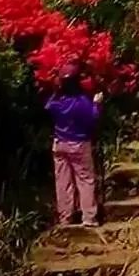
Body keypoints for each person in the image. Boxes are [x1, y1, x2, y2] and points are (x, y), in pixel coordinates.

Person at [46, 70, 102, 227]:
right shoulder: (82, 101)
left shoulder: (59, 102)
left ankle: (65, 217)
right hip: (79, 144)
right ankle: (89, 217)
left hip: (59, 144)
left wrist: (56, 91)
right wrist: (97, 104)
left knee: (63, 181)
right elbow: (93, 118)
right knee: (85, 180)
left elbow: (48, 107)